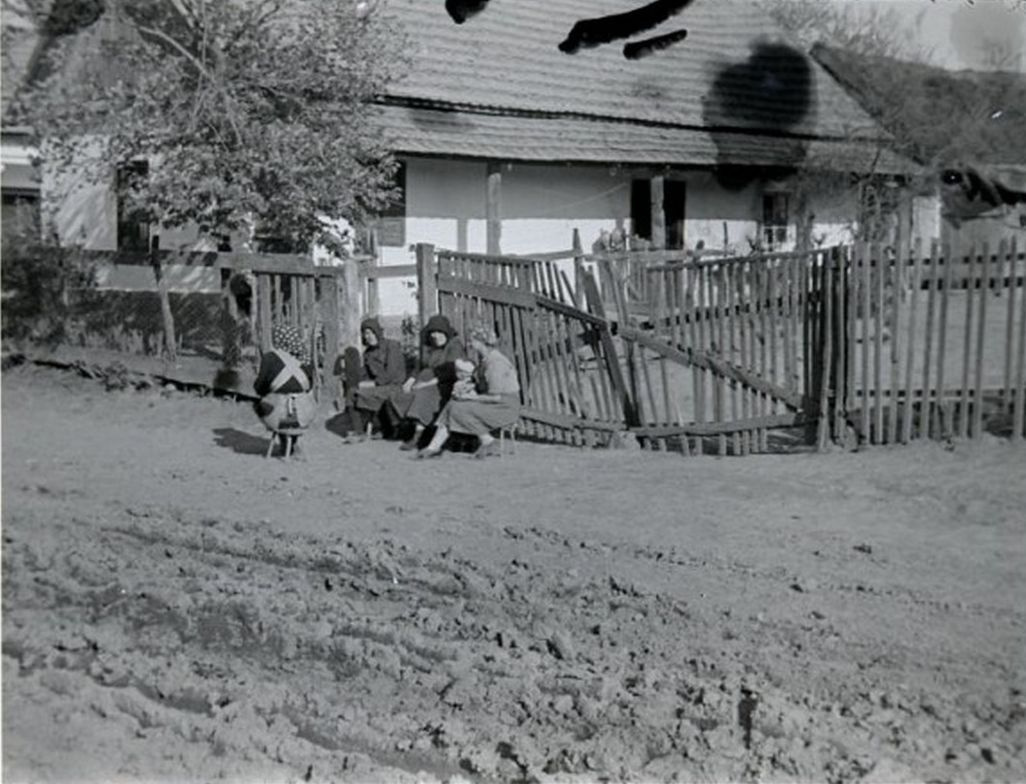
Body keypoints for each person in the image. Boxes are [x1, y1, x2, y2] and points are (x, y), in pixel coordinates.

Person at [417, 325, 520, 459]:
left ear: (480, 342)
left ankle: (487, 441)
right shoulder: (486, 359)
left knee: (459, 408)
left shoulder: (496, 363)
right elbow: (481, 384)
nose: (469, 344)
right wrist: (467, 388)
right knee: (453, 403)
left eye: (472, 341)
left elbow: (496, 396)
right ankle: (433, 447)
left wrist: (470, 397)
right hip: (495, 403)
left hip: (505, 407)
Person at [391, 314, 466, 451]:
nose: (435, 336)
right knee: (401, 394)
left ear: (446, 332)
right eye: (433, 332)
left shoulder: (454, 345)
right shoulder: (428, 347)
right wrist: (410, 380)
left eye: (439, 332)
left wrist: (425, 384)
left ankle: (416, 437)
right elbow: (418, 366)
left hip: (444, 384)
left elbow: (450, 372)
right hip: (425, 381)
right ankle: (407, 429)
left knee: (424, 396)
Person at [253, 323, 317, 456]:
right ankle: (292, 443)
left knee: (263, 403)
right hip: (305, 414)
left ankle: (284, 440)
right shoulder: (305, 358)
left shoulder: (270, 358)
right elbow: (309, 386)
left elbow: (259, 387)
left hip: (276, 415)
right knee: (293, 403)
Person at [342, 317, 406, 440]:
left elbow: (391, 373)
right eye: (365, 333)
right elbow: (365, 373)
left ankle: (387, 427)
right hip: (378, 387)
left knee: (365, 393)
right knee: (351, 392)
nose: (368, 336)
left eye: (371, 333)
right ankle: (358, 431)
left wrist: (372, 384)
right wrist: (355, 379)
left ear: (377, 332)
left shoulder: (391, 346)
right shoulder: (368, 353)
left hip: (393, 386)